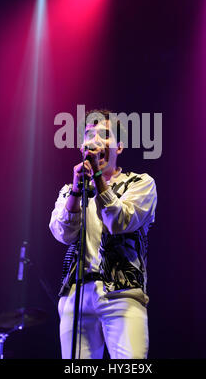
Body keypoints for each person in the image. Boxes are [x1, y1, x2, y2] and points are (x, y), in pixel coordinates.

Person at [49, 109, 157, 359]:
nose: (95, 140)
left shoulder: (139, 183)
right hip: (76, 294)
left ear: (118, 147)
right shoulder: (69, 190)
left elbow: (119, 221)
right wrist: (77, 191)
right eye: (89, 135)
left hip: (121, 293)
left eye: (104, 135)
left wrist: (98, 178)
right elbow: (63, 234)